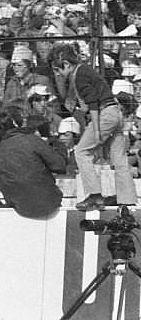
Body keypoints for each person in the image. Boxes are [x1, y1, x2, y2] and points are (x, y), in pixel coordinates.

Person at [50, 44, 138, 211]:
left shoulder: (79, 76)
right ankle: (127, 199)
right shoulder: (86, 69)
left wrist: (97, 130)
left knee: (81, 151)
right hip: (116, 112)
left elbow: (93, 104)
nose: (57, 74)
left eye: (58, 69)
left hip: (104, 114)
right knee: (119, 158)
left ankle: (95, 195)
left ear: (67, 64)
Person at [0, 108, 67, 219]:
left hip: (20, 207)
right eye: (24, 120)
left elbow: (0, 182)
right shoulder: (32, 140)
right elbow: (59, 165)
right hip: (49, 202)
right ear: (17, 124)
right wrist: (60, 146)